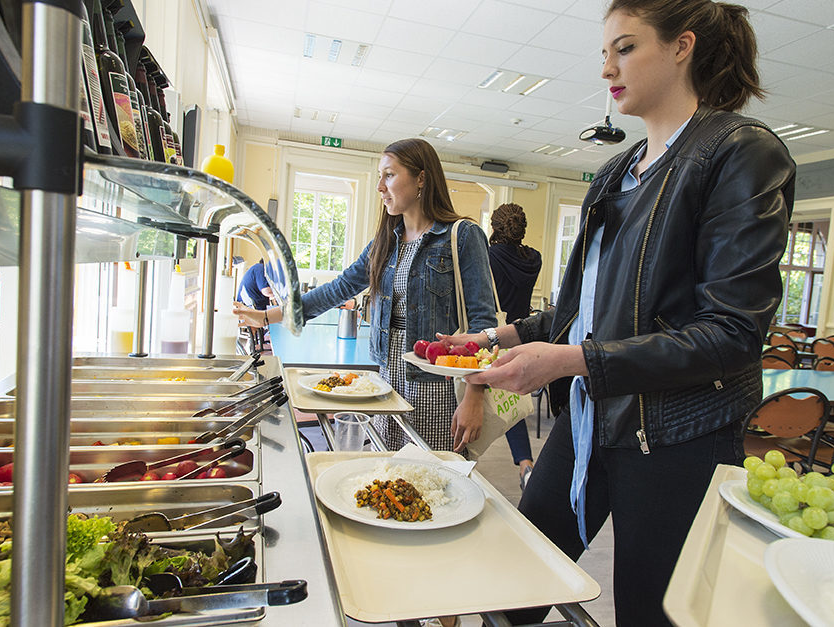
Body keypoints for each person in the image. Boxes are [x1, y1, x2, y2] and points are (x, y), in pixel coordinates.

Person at [443, 1, 795, 624]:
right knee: (513, 585)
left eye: (625, 48)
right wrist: (496, 335)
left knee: (648, 611)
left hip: (676, 437)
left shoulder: (739, 152)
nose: (607, 66)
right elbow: (580, 309)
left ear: (682, 46)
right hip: (591, 419)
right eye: (605, 52)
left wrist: (573, 361)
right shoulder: (614, 173)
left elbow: (734, 334)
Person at [234, 137, 497, 453]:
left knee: (431, 476)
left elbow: (483, 323)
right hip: (386, 379)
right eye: (379, 177)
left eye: (389, 175)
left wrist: (474, 394)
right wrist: (267, 316)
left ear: (422, 178)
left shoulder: (462, 236)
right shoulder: (384, 243)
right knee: (388, 474)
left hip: (436, 387)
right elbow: (339, 288)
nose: (380, 187)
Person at [487, 203, 542, 489]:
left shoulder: (490, 256)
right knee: (512, 404)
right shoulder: (535, 259)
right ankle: (526, 464)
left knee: (469, 398)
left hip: (493, 337)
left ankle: (458, 458)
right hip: (523, 336)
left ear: (495, 227)